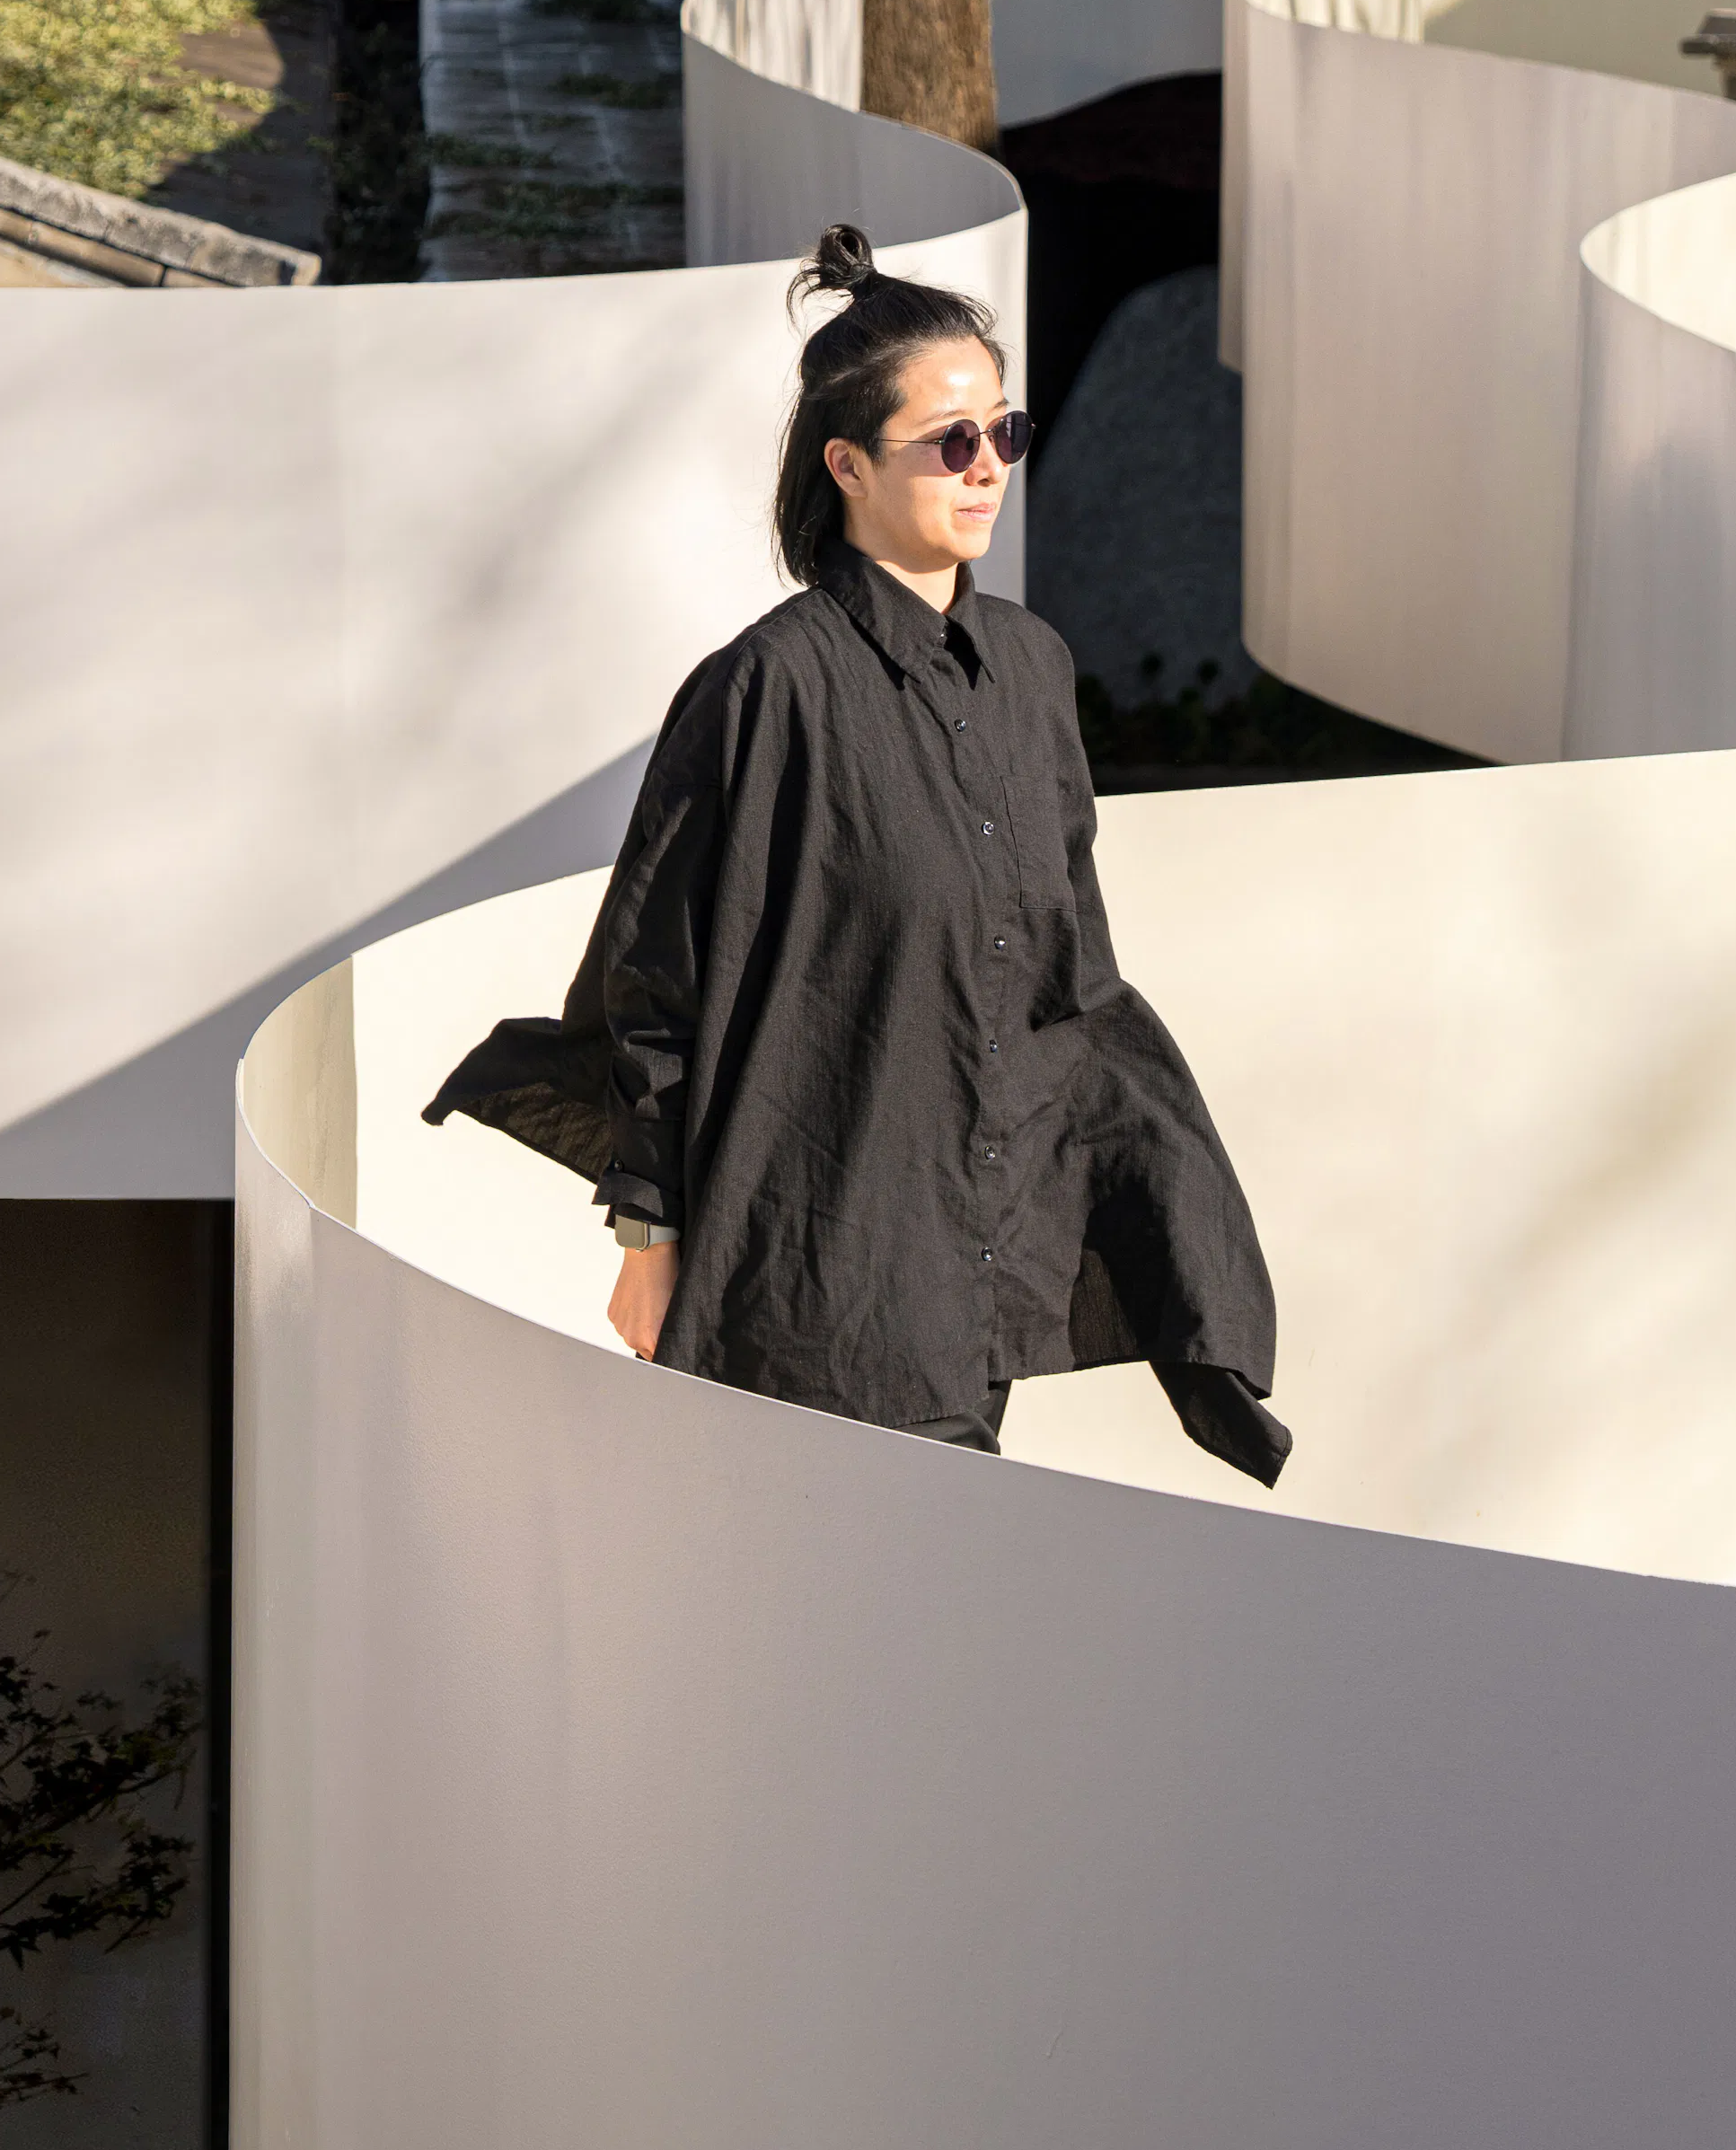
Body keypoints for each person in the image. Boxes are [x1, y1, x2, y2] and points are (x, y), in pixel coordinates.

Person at [426, 226, 1291, 1478]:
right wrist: (648, 1239)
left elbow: (1069, 969)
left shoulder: (1034, 673)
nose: (988, 466)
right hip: (814, 1280)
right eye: (952, 441)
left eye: (1008, 432)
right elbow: (653, 982)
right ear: (848, 464)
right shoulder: (768, 690)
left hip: (978, 1263)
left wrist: (1166, 1203)